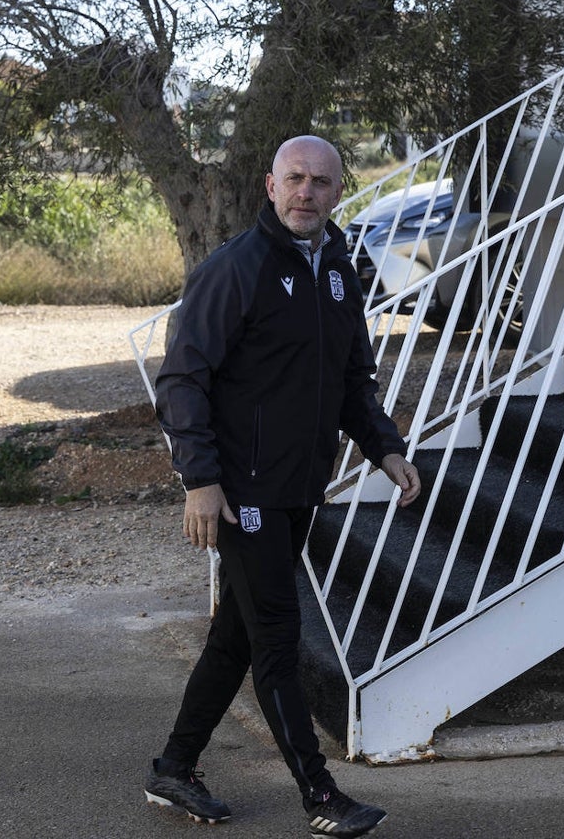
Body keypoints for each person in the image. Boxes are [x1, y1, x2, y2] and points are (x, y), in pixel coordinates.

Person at [145, 135, 421, 839]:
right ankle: (321, 795)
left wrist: (385, 448)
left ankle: (174, 769)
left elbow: (351, 379)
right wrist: (200, 482)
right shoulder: (235, 269)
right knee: (276, 636)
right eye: (295, 179)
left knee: (235, 637)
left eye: (321, 182)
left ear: (337, 191)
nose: (307, 192)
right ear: (270, 186)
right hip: (243, 490)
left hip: (301, 486)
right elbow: (182, 379)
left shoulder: (337, 267)